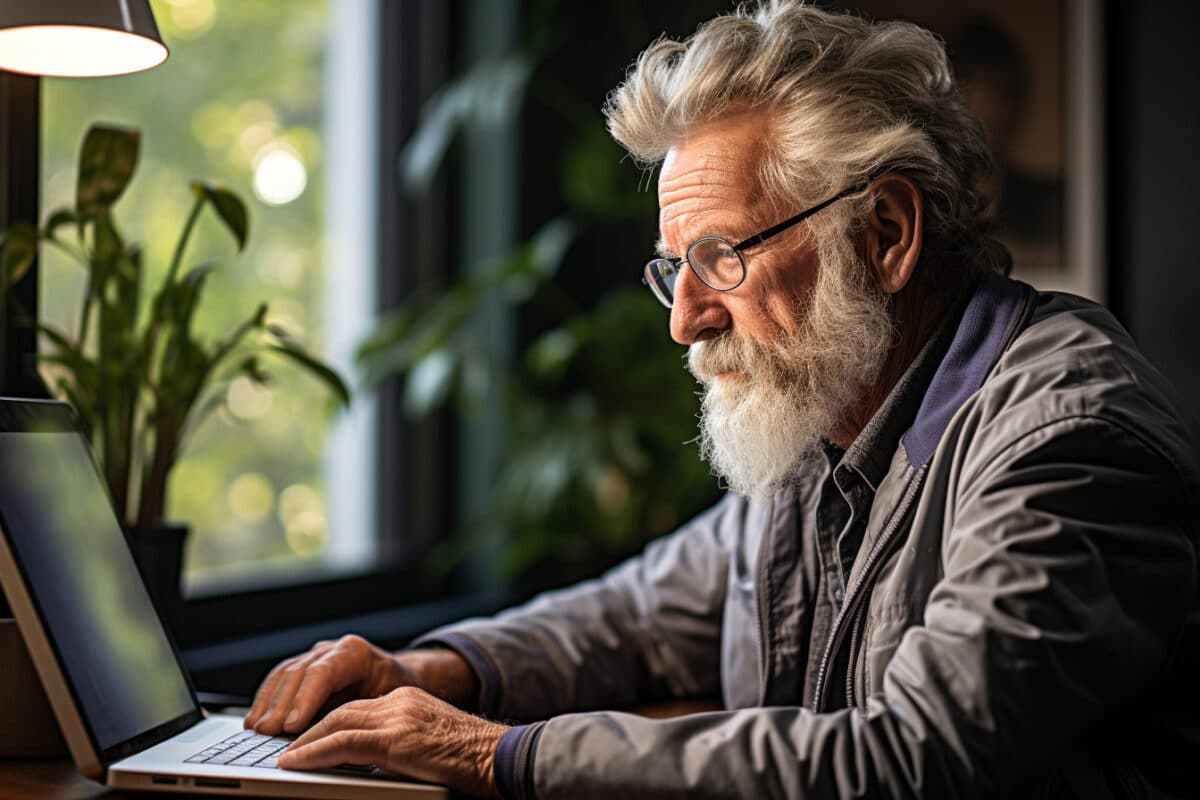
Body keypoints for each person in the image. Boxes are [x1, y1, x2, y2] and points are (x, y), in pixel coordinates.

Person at [245, 2, 1200, 798]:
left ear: (886, 233)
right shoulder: (829, 409)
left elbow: (910, 761)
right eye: (675, 267)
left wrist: (488, 753)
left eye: (723, 256)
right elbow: (639, 615)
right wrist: (430, 671)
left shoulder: (1069, 436)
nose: (687, 319)